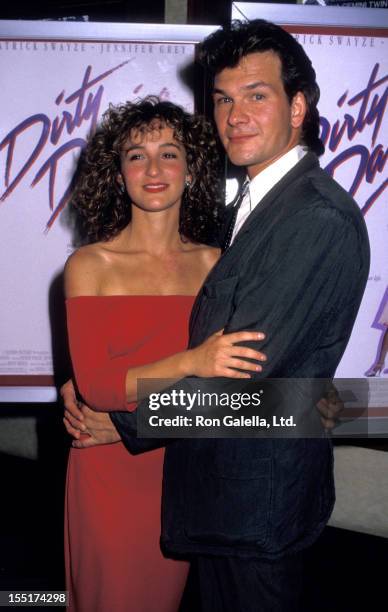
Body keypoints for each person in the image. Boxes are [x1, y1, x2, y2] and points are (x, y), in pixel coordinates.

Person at [63, 20, 370, 611]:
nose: (235, 115)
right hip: (215, 496)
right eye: (224, 100)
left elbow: (244, 372)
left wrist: (118, 424)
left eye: (257, 95)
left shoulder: (312, 217)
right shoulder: (257, 209)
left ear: (298, 105)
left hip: (253, 503)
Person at [63, 97, 268, 612]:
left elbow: (233, 390)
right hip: (107, 470)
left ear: (192, 169)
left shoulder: (217, 264)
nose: (153, 169)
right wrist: (191, 362)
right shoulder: (90, 265)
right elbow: (99, 388)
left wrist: (140, 404)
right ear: (117, 175)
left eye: (169, 153)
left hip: (184, 467)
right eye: (136, 155)